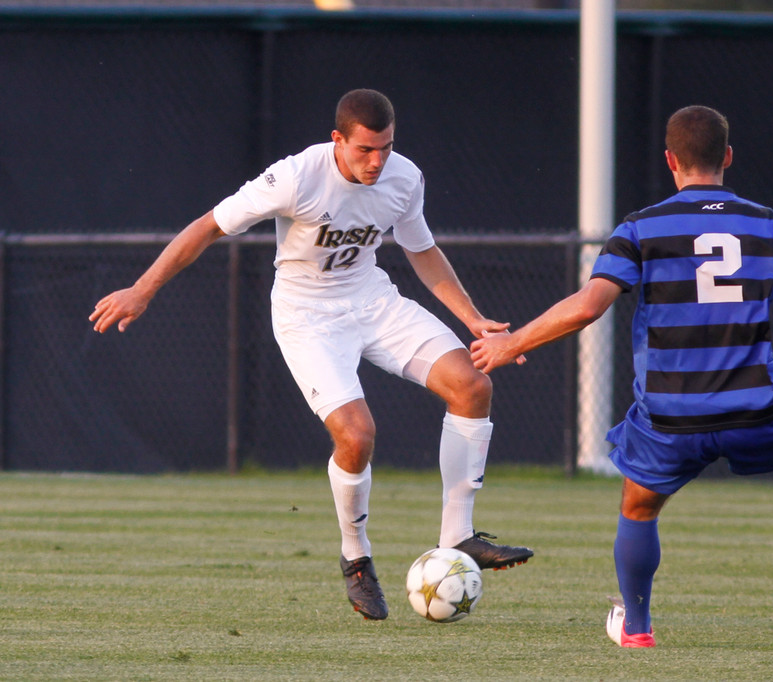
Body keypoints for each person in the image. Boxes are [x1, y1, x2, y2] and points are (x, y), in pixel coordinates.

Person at [90, 88, 532, 622]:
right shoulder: (296, 177)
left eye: (386, 148)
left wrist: (472, 316)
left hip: (373, 300)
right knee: (357, 434)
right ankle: (356, 558)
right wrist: (143, 288)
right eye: (365, 149)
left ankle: (458, 537)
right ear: (337, 140)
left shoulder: (404, 177)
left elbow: (422, 251)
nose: (377, 161)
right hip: (307, 318)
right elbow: (208, 225)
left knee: (473, 385)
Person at [470, 105, 773, 647]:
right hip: (756, 407)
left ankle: (639, 628)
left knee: (638, 506)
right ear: (729, 157)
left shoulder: (641, 228)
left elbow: (587, 307)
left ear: (670, 160)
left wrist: (511, 343)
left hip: (672, 415)